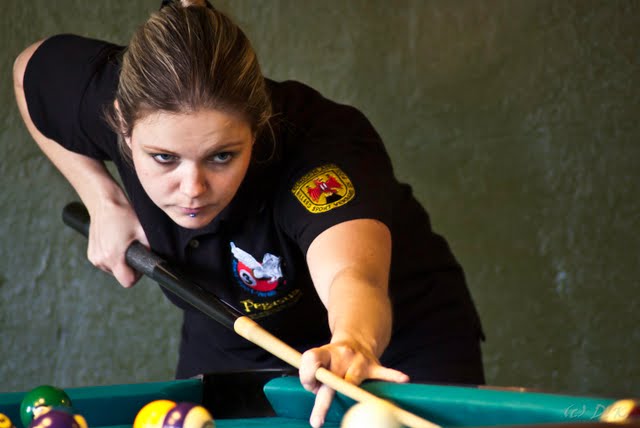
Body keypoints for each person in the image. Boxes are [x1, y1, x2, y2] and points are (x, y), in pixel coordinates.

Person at [13, 1, 485, 426]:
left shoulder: (317, 151)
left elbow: (353, 275)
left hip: (394, 340)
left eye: (221, 156)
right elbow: (26, 70)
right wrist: (102, 198)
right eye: (164, 159)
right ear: (121, 123)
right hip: (232, 330)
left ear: (257, 130)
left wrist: (353, 343)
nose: (192, 189)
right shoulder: (108, 98)